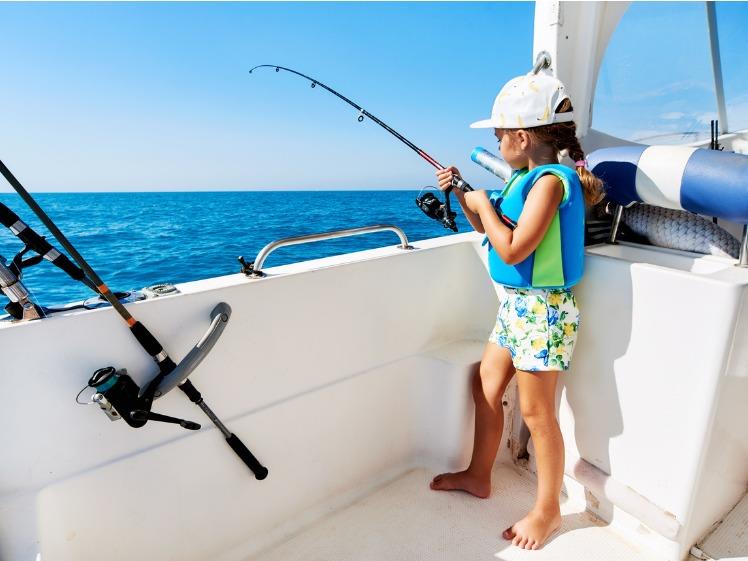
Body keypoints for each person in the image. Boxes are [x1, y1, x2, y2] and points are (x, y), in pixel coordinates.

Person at [429, 71, 603, 551]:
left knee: (536, 411)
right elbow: (495, 233)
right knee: (483, 382)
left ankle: (547, 511)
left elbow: (513, 251)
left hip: (543, 311)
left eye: (499, 135)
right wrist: (468, 198)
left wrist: (483, 203)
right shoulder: (525, 180)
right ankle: (478, 473)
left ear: (522, 137)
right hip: (517, 308)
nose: (498, 142)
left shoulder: (550, 183)